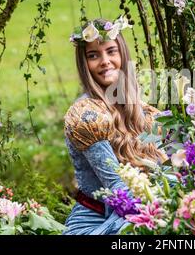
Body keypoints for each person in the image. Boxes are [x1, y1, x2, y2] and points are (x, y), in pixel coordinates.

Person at [62, 17, 167, 235]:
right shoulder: (86, 116)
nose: (104, 61)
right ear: (84, 64)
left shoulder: (143, 112)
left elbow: (167, 169)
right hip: (98, 222)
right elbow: (119, 189)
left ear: (123, 55)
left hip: (136, 211)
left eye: (111, 51)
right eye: (93, 55)